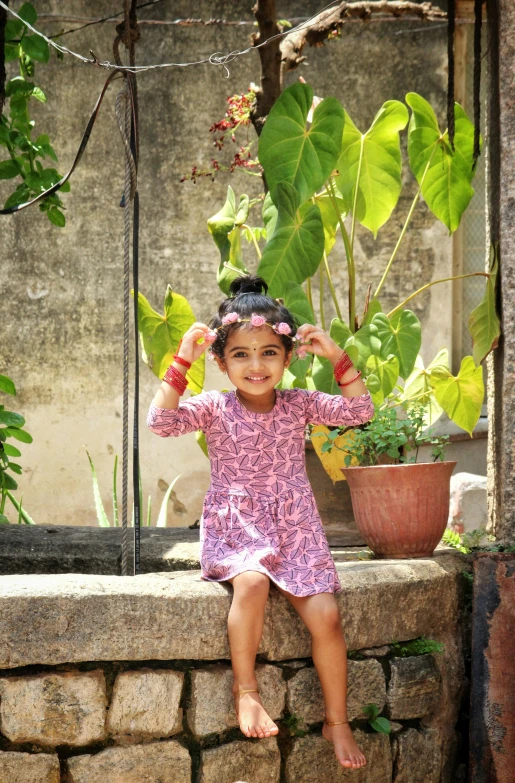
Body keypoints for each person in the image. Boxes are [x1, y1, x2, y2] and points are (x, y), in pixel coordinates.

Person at [147, 276, 374, 769]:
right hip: (238, 524)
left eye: (269, 353)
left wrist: (335, 353)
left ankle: (337, 721)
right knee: (249, 584)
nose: (256, 366)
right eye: (242, 355)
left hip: (296, 528)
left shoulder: (299, 404)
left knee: (327, 618)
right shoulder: (214, 407)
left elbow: (360, 410)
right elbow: (161, 423)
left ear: (288, 358)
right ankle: (245, 690)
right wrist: (182, 356)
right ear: (222, 361)